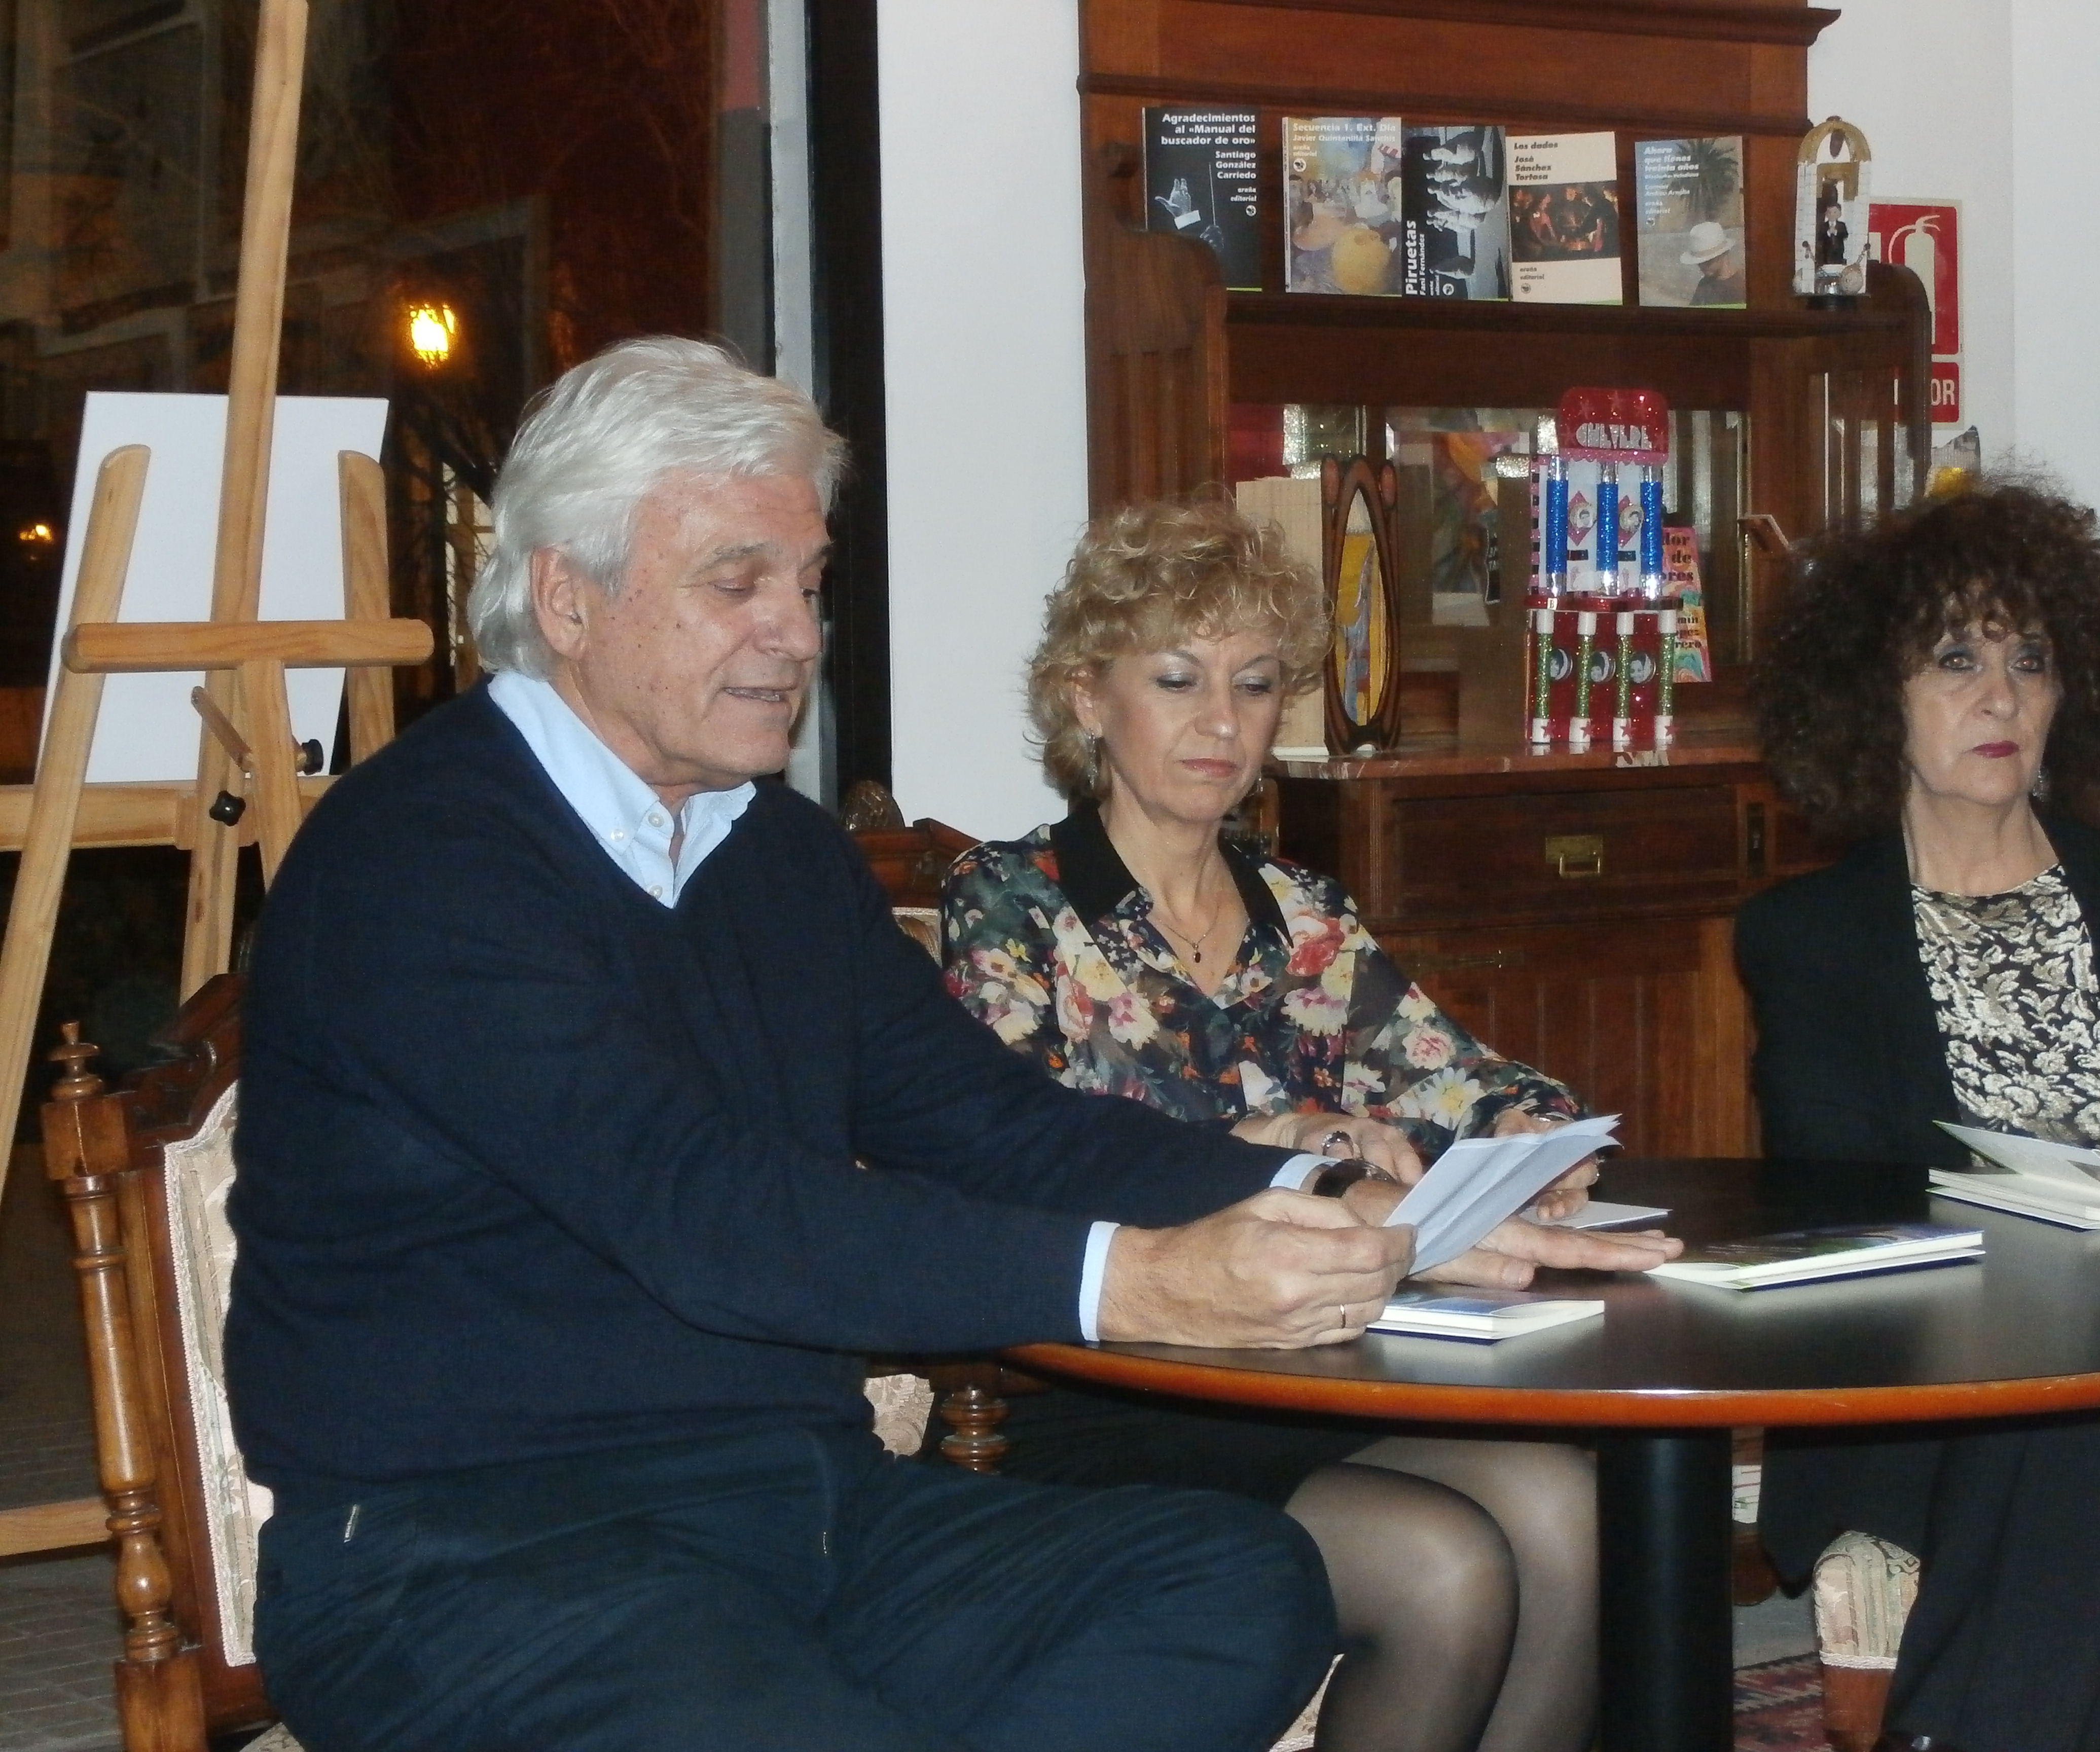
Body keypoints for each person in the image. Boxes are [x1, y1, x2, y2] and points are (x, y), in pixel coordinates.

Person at [222, 339, 1483, 1752]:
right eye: (737, 583)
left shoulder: (779, 858)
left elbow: (998, 1127)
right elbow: (709, 1214)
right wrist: (1144, 1283)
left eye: (809, 584)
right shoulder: (420, 859)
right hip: (473, 1555)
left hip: (800, 1508)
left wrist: (1347, 1200)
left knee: (1234, 1583)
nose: (797, 635)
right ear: (568, 598)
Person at [942, 499, 1683, 1752]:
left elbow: (1460, 1074)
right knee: (1448, 1566)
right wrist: (1292, 1139)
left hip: (1316, 1370)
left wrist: (1535, 1140)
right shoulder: (1012, 901)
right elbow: (1026, 1150)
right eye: (1177, 680)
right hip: (1117, 1378)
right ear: (1086, 699)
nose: (1221, 723)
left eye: (1253, 684)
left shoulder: (1304, 914)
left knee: (1569, 1509)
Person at [1736, 478, 2100, 1752]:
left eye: (2031, 661)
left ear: (2075, 692)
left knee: (2079, 1421)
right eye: (1955, 660)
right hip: (1929, 1383)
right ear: (1873, 694)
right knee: (2096, 1535)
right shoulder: (1810, 936)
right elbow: (1841, 1204)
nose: (2000, 699)